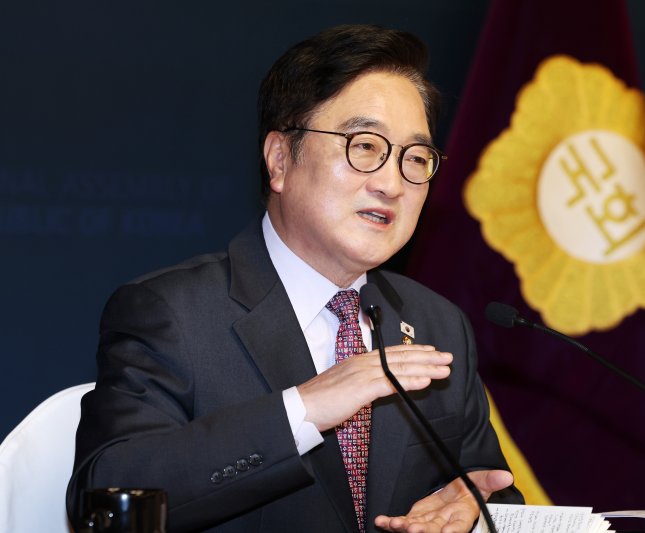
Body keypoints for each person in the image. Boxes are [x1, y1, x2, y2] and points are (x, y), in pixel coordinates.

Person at [67, 24, 522, 533]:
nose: (392, 184)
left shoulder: (438, 324)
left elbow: (492, 488)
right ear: (280, 160)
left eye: (415, 159)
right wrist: (303, 410)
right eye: (365, 146)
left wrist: (475, 516)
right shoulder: (172, 313)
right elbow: (107, 492)